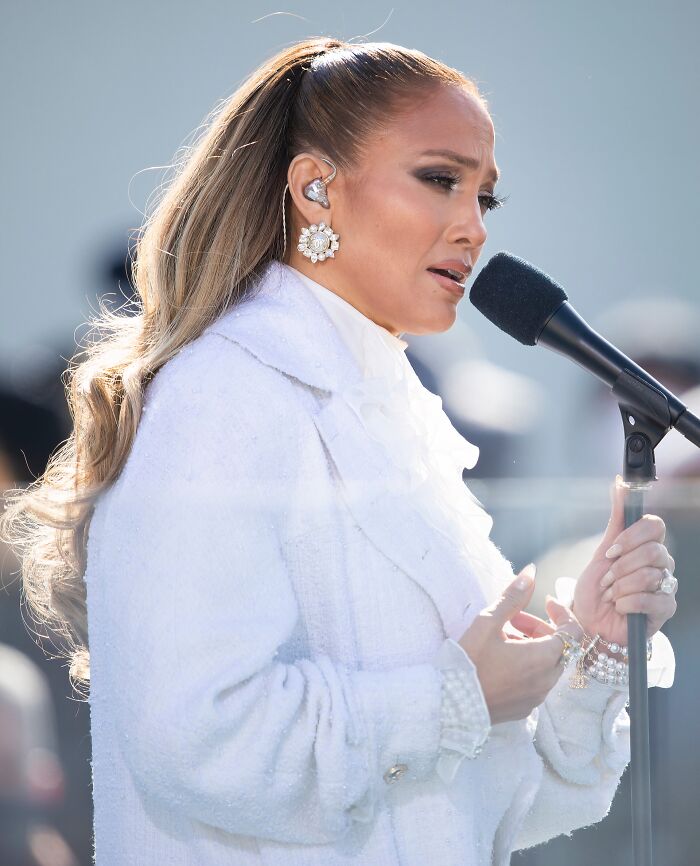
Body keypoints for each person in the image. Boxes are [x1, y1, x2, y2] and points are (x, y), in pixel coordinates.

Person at [0, 37, 678, 866]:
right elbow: (200, 738)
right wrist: (457, 696)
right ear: (316, 188)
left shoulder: (396, 414)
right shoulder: (224, 395)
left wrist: (595, 649)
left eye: (485, 199)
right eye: (440, 179)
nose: (472, 228)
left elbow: (473, 805)